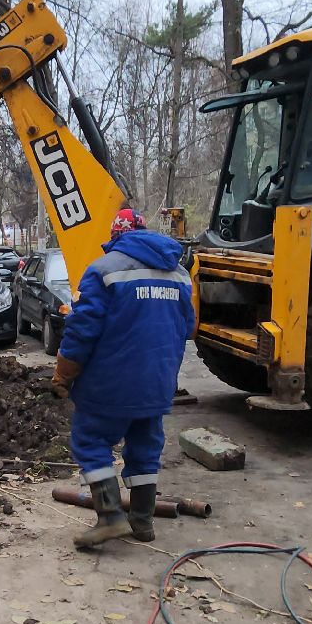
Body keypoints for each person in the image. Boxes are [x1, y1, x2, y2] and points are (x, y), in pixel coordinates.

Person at [51, 208, 195, 550]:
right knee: (145, 445)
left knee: (90, 440)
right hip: (158, 382)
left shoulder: (103, 270)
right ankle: (142, 522)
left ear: (116, 236)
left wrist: (63, 374)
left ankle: (111, 517)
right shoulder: (179, 273)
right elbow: (188, 326)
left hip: (110, 381)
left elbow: (82, 331)